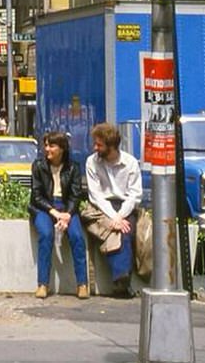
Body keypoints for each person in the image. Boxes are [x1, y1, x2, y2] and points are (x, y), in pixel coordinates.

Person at [81, 122, 141, 298]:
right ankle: (122, 278)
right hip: (102, 207)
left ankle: (120, 279)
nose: (95, 148)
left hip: (125, 206)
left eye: (99, 144)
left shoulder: (130, 163)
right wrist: (114, 218)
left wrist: (120, 216)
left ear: (112, 146)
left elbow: (134, 196)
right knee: (113, 231)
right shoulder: (91, 162)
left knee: (127, 231)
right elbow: (96, 195)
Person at [30, 131, 89, 300]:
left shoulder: (73, 167)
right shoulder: (38, 165)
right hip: (44, 208)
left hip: (67, 208)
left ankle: (82, 284)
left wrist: (68, 214)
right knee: (46, 235)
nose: (47, 149)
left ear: (62, 148)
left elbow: (76, 195)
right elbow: (36, 195)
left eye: (52, 146)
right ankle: (43, 284)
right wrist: (54, 212)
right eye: (46, 145)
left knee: (77, 237)